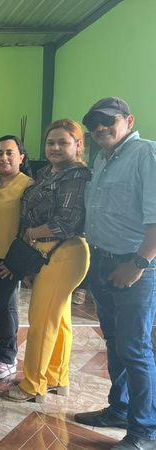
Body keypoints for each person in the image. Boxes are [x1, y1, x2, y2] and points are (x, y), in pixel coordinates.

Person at [74, 97, 156, 450]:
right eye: (94, 123)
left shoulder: (145, 154)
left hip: (133, 265)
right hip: (102, 261)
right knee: (114, 341)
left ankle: (144, 431)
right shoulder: (102, 159)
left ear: (129, 121)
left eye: (109, 121)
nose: (101, 128)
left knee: (135, 348)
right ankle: (119, 408)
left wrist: (138, 264)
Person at [4, 119, 91, 403]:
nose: (55, 147)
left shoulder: (76, 176)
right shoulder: (48, 172)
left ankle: (33, 385)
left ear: (78, 145)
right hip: (47, 252)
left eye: (63, 142)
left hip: (62, 253)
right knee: (59, 318)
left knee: (41, 320)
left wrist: (31, 233)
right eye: (50, 142)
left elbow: (68, 221)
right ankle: (56, 377)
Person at [0, 136, 33, 380]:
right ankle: (3, 347)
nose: (4, 157)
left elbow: (30, 226)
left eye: (10, 153)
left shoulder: (29, 186)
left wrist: (16, 263)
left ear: (21, 157)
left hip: (11, 258)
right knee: (6, 304)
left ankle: (8, 357)